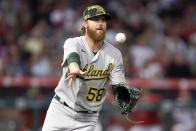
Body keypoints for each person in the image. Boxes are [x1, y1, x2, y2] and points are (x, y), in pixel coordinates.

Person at [42, 5, 141, 131]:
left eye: (103, 20)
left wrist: (122, 97)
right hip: (62, 110)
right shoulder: (73, 42)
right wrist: (74, 67)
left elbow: (118, 86)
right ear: (85, 24)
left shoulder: (115, 54)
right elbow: (73, 56)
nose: (100, 23)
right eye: (95, 20)